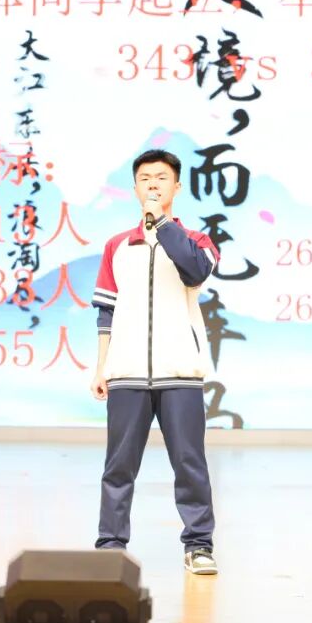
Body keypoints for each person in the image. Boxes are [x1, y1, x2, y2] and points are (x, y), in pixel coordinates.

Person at [89, 149, 221, 575]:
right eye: (145, 178)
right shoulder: (117, 246)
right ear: (134, 188)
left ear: (176, 187)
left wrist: (162, 223)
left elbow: (194, 271)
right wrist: (102, 366)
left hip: (179, 372)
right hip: (126, 372)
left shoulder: (196, 241)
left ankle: (198, 545)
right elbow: (106, 311)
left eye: (161, 178)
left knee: (189, 463)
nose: (152, 184)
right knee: (118, 466)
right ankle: (111, 546)